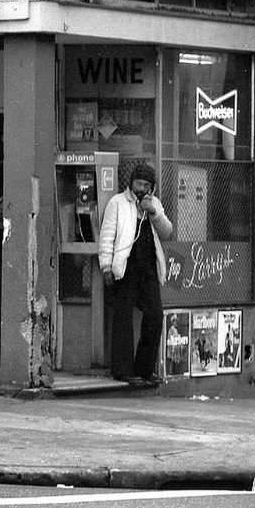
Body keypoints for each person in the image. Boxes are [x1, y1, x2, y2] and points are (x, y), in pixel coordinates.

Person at [99, 162, 172, 386]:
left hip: (148, 268)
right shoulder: (118, 203)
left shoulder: (154, 205)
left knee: (155, 314)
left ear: (152, 188)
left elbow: (167, 232)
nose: (141, 188)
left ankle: (145, 368)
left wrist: (153, 212)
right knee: (123, 317)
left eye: (146, 185)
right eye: (138, 183)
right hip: (126, 267)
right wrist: (106, 266)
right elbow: (107, 234)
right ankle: (123, 369)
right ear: (130, 184)